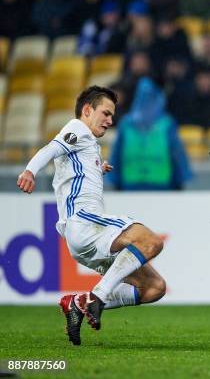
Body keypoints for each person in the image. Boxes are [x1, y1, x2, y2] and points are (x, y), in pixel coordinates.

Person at [16, 86, 166, 346]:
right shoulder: (78, 129)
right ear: (87, 110)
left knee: (154, 288)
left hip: (83, 242)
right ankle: (98, 296)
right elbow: (50, 149)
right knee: (151, 241)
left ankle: (79, 302)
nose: (110, 121)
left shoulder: (89, 147)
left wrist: (99, 167)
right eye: (106, 113)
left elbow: (73, 166)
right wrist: (29, 171)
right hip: (85, 223)